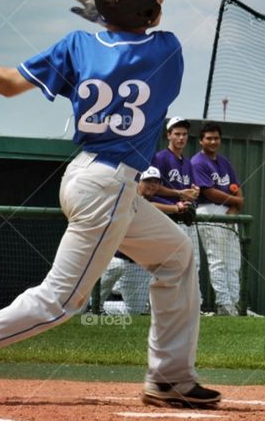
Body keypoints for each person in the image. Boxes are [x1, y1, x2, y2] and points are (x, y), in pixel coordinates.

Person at [0, 0, 221, 409]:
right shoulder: (167, 50)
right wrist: (110, 18)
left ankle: (171, 378)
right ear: (147, 12)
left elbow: (7, 84)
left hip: (88, 177)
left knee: (176, 256)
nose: (161, 4)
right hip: (108, 188)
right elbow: (135, 40)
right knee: (59, 302)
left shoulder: (76, 45)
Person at [97, 167, 179, 315]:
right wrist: (174, 208)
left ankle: (101, 308)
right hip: (115, 258)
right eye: (148, 181)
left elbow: (170, 207)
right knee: (111, 272)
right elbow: (145, 206)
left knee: (135, 311)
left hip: (138, 264)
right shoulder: (127, 196)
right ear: (139, 182)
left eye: (156, 182)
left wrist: (182, 208)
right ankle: (88, 306)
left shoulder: (158, 202)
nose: (152, 185)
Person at [191, 122, 243, 317]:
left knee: (233, 261)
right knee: (218, 260)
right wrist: (237, 201)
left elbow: (237, 186)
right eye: (209, 138)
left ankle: (235, 303)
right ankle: (224, 304)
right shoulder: (198, 162)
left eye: (216, 138)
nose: (213, 141)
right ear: (201, 140)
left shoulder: (224, 162)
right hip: (208, 210)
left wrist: (235, 206)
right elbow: (209, 192)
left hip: (229, 213)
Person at [149, 117, 201, 304]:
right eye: (177, 134)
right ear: (168, 135)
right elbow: (151, 187)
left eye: (184, 134)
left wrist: (194, 192)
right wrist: (179, 192)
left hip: (184, 216)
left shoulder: (187, 163)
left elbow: (191, 188)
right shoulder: (160, 158)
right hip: (166, 216)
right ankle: (162, 303)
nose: (181, 138)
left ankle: (190, 303)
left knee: (193, 263)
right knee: (168, 263)